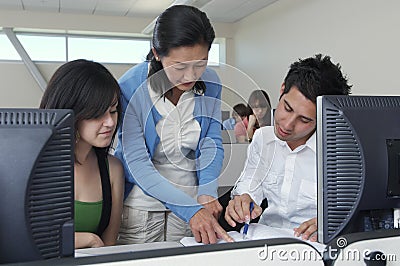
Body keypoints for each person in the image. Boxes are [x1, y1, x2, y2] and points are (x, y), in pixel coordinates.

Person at [114, 5, 233, 245]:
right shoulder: (130, 86)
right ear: (157, 53)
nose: (191, 75)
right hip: (142, 209)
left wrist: (207, 192)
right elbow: (136, 162)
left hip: (193, 203)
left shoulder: (211, 82)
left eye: (200, 63)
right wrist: (191, 210)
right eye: (179, 67)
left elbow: (211, 142)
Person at [224, 54, 352, 242]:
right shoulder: (263, 139)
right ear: (282, 89)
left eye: (305, 119)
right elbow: (249, 187)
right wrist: (242, 202)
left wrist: (332, 224)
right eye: (287, 108)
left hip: (314, 248)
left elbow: (358, 214)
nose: (288, 125)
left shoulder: (340, 153)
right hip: (265, 239)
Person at [39, 59, 125, 249]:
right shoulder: (36, 166)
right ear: (71, 114)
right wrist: (89, 239)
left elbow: (108, 246)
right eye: (97, 114)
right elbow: (29, 238)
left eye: (112, 111)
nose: (110, 122)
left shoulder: (113, 169)